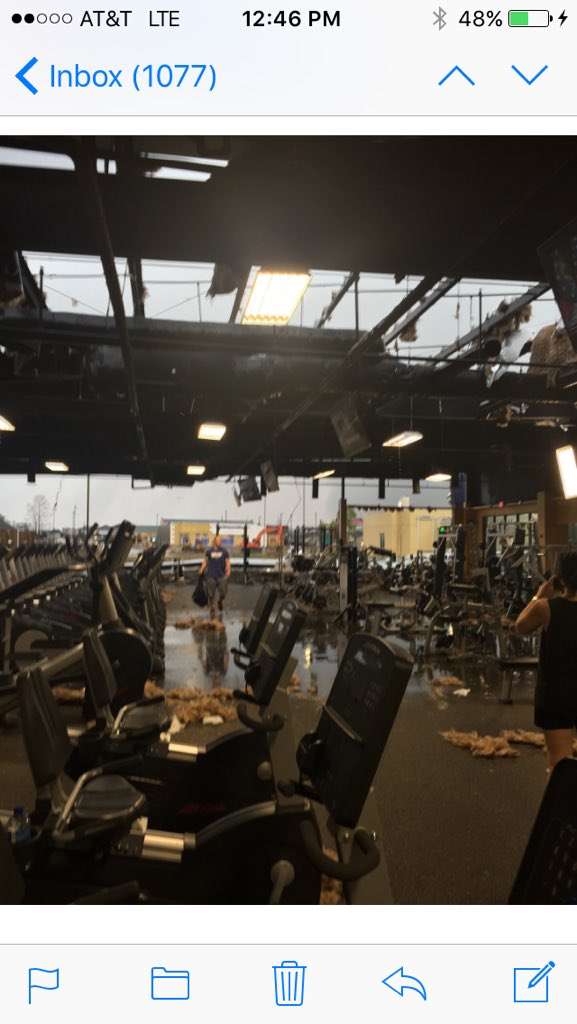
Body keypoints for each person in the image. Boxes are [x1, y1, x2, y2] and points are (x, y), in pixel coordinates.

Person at [515, 552, 577, 771]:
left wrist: (538, 596)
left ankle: (562, 795)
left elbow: (520, 626)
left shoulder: (545, 607)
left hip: (555, 696)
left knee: (559, 764)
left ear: (559, 578)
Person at [199, 534, 231, 617]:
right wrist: (201, 569)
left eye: (220, 541)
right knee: (211, 593)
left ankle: (220, 601)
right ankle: (212, 606)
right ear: (214, 541)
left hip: (221, 575)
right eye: (218, 540)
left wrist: (228, 570)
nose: (220, 542)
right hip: (210, 575)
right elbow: (205, 561)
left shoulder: (224, 552)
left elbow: (227, 562)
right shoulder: (209, 552)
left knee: (223, 593)